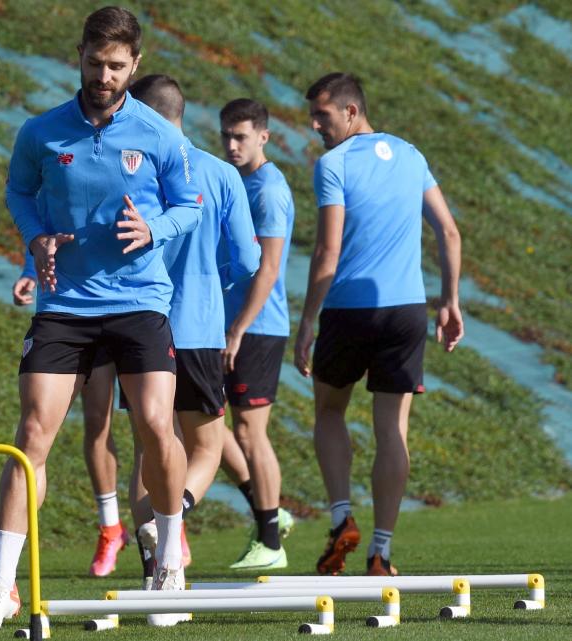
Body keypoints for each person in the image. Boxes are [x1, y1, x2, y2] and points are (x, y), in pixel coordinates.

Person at [0, 6, 202, 632]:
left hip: (139, 300)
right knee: (32, 435)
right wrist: (36, 236)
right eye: (95, 63)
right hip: (65, 305)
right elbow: (19, 192)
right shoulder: (41, 132)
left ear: (136, 65)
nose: (104, 75)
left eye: (117, 66)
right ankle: (1, 585)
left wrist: (155, 227)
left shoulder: (158, 134)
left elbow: (189, 206)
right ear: (80, 55)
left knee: (155, 423)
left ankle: (168, 563)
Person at [294, 72, 463, 576]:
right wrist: (449, 301)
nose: (315, 126)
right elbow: (449, 232)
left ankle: (342, 516)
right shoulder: (410, 155)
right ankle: (381, 553)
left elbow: (327, 251)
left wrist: (306, 321)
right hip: (407, 310)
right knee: (393, 428)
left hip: (349, 309)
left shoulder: (334, 165)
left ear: (350, 112)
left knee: (329, 411)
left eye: (322, 115)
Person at [123, 75, 262, 592]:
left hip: (139, 324)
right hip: (199, 325)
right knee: (206, 447)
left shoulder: (131, 172)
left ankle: (150, 552)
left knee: (147, 448)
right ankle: (172, 516)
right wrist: (214, 278)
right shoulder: (221, 173)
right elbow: (249, 258)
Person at [13, 257, 128, 578]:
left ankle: (113, 528)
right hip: (63, 312)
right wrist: (28, 271)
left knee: (99, 424)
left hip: (115, 309)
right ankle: (7, 568)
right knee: (34, 434)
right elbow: (44, 220)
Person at [219, 98, 296, 570]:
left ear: (263, 137)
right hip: (224, 325)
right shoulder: (235, 181)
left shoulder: (268, 189)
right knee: (205, 419)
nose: (231, 144)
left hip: (257, 327)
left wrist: (240, 328)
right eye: (226, 135)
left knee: (250, 430)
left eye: (241, 136)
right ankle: (270, 511)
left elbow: (268, 268)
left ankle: (270, 540)